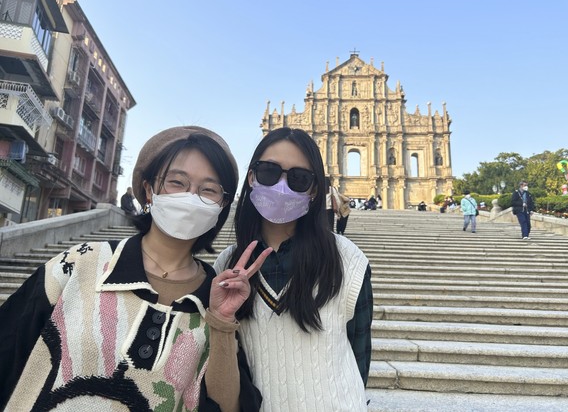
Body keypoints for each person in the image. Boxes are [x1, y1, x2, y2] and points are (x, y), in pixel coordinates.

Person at [0, 126, 272, 411]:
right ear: (149, 190)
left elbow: (229, 406)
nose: (191, 197)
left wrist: (222, 323)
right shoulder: (81, 263)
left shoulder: (216, 296)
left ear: (222, 206)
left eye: (208, 190)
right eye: (177, 183)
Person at [214, 127, 373, 411]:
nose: (282, 185)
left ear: (314, 190)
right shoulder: (227, 266)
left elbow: (359, 351)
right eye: (268, 172)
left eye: (299, 178)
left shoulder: (347, 258)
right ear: (251, 177)